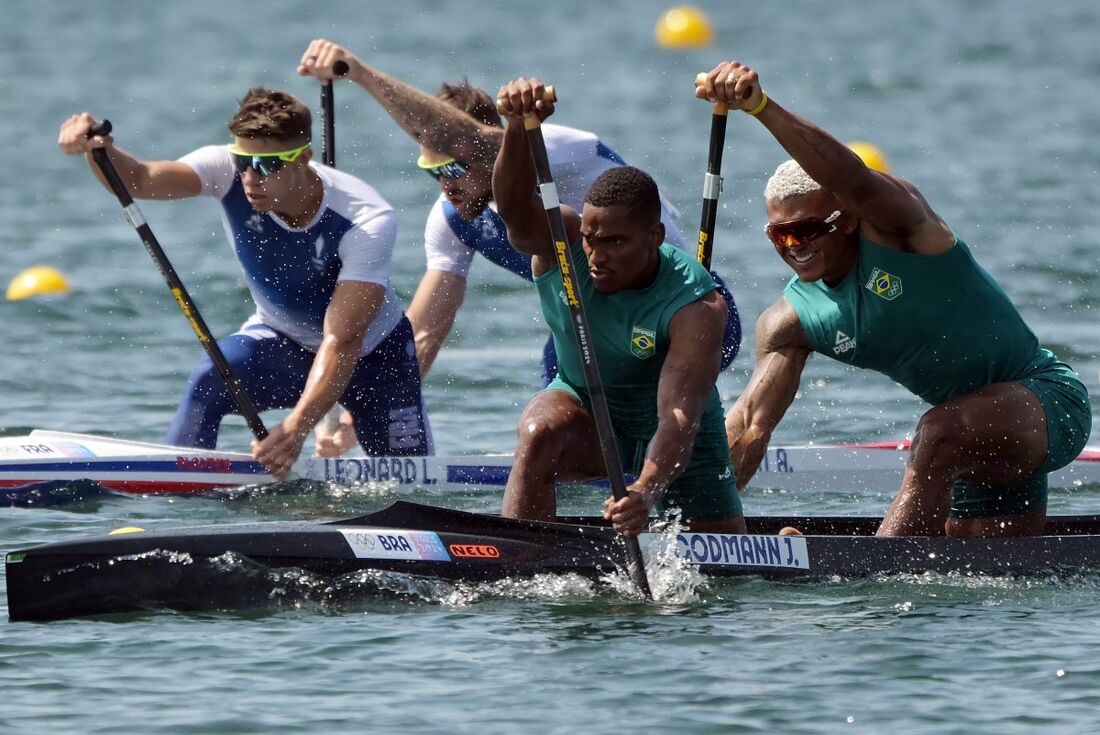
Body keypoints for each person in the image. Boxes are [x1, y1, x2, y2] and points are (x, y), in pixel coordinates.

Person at [699, 60, 1092, 538]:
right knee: (985, 577)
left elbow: (852, 177)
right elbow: (748, 428)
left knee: (935, 433)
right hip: (971, 438)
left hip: (1045, 404)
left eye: (806, 230)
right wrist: (702, 530)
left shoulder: (901, 230)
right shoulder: (790, 321)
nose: (794, 247)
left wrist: (760, 107)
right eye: (780, 236)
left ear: (847, 219)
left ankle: (879, 573)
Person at [297, 39, 742, 456]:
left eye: (454, 168)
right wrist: (360, 409)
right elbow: (424, 332)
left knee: (636, 425)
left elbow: (466, 137)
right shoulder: (452, 220)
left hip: (688, 315)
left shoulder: (551, 147)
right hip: (593, 332)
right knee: (555, 416)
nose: (446, 186)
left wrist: (359, 73)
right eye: (433, 173)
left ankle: (688, 455)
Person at [58, 87, 431, 477]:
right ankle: (181, 499)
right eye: (242, 160)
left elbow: (343, 341)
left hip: (375, 360)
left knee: (409, 482)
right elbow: (139, 179)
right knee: (210, 377)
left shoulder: (367, 220)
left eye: (267, 165)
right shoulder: (224, 169)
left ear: (302, 158)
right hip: (283, 344)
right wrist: (96, 149)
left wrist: (294, 428)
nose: (250, 177)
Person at [493, 77, 745, 537]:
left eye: (614, 242)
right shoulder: (561, 242)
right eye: (590, 240)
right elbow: (511, 209)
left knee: (728, 569)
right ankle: (522, 559)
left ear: (655, 237)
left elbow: (677, 417)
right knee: (538, 431)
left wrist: (645, 491)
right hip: (587, 413)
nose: (595, 255)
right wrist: (514, 126)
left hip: (677, 435)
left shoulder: (696, 303)